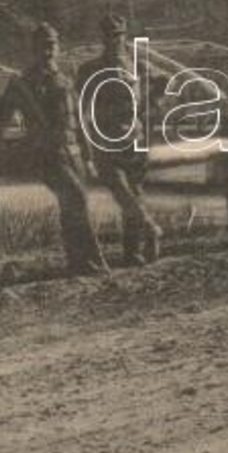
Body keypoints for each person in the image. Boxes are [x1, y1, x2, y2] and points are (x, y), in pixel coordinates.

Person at [0, 23, 110, 277]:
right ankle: (94, 262)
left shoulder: (64, 78)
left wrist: (88, 156)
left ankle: (77, 263)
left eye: (52, 45)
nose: (48, 51)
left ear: (58, 47)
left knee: (71, 205)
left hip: (72, 153)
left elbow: (78, 121)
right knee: (76, 199)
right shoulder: (23, 84)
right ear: (33, 49)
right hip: (46, 155)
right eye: (42, 46)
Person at [75, 14, 163, 266]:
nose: (114, 40)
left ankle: (132, 252)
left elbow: (164, 82)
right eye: (109, 36)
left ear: (125, 36)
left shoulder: (138, 64)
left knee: (134, 192)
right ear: (102, 38)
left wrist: (149, 106)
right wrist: (84, 141)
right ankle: (151, 228)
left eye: (118, 35)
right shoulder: (89, 69)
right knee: (120, 189)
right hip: (104, 140)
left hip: (134, 137)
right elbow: (79, 106)